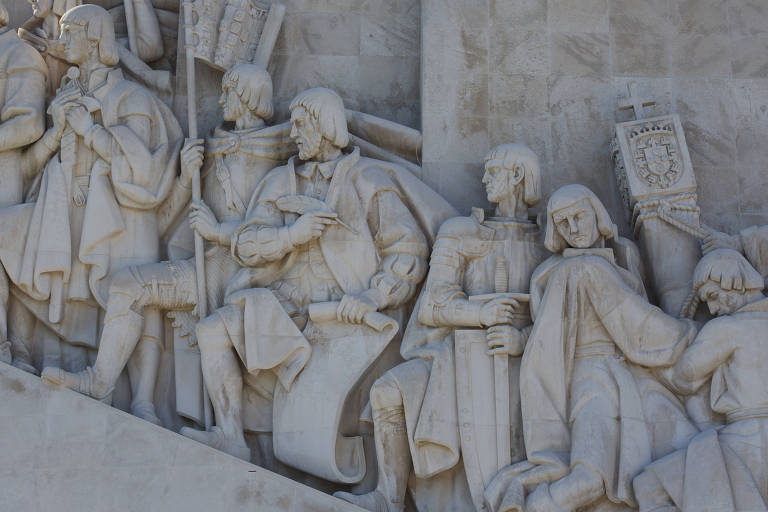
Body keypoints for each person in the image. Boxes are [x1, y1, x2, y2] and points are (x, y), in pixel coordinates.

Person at [180, 87, 454, 470]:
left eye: (300, 124)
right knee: (211, 331)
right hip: (283, 303)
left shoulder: (368, 180)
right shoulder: (280, 181)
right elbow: (246, 243)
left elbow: (407, 251)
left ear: (325, 126)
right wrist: (291, 235)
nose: (292, 133)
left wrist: (374, 296)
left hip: (342, 312)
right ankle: (231, 436)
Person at [40, 63, 293, 423]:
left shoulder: (277, 160)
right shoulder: (215, 148)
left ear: (249, 98)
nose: (221, 99)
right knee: (126, 285)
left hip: (242, 275)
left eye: (229, 92)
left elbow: (269, 236)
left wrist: (217, 231)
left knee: (132, 287)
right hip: (204, 267)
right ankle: (101, 382)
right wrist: (186, 178)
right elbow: (171, 217)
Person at [335, 143, 548, 512]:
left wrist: (523, 338)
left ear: (517, 176)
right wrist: (480, 314)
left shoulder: (549, 242)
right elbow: (433, 305)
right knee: (386, 391)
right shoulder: (462, 232)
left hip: (529, 362)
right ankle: (389, 497)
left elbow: (564, 317)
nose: (484, 179)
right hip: (452, 357)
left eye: (493, 171)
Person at [0, 4, 182, 423]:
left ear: (96, 37)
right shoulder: (65, 94)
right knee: (11, 245)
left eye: (71, 32)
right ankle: (19, 351)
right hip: (65, 210)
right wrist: (56, 133)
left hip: (122, 214)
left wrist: (90, 130)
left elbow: (143, 169)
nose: (61, 41)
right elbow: (30, 168)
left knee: (133, 294)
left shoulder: (132, 98)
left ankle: (144, 402)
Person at [485, 184, 698, 512]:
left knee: (685, 460)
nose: (573, 228)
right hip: (592, 377)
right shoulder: (573, 268)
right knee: (591, 477)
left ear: (596, 213)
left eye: (579, 216)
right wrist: (687, 333)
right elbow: (630, 322)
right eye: (563, 223)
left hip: (636, 377)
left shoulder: (625, 255)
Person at [634, 249, 768, 511]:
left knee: (648, 486)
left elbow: (684, 377)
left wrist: (644, 362)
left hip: (745, 440)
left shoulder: (728, 328)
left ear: (732, 281)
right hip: (748, 441)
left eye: (713, 296)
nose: (714, 309)